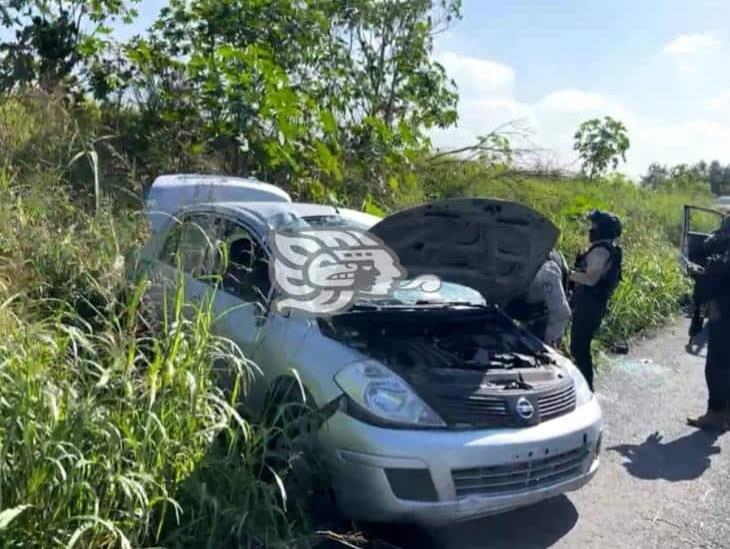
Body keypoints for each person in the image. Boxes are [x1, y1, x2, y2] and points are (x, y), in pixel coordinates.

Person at [568, 210, 623, 391]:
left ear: (603, 229)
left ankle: (586, 389)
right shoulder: (606, 248)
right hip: (591, 304)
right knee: (579, 347)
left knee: (579, 348)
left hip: (590, 305)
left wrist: (567, 273)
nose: (591, 230)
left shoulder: (601, 251)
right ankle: (584, 387)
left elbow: (591, 279)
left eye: (595, 226)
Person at [687, 239, 730, 430]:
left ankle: (716, 414)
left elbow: (719, 269)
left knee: (717, 366)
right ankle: (725, 414)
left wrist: (702, 271)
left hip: (724, 312)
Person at [504, 250, 572, 347]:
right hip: (523, 308)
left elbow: (561, 313)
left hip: (545, 311)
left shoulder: (546, 272)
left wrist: (549, 343)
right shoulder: (500, 269)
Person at [688, 217, 730, 342]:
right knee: (702, 285)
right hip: (715, 275)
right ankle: (697, 317)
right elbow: (706, 246)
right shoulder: (717, 236)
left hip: (721, 276)